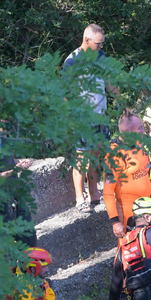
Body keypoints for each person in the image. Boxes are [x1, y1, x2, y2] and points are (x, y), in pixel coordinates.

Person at [63, 24, 109, 213]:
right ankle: (79, 199)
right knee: (82, 157)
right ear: (87, 40)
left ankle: (94, 192)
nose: (101, 47)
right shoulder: (72, 62)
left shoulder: (100, 56)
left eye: (102, 44)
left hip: (100, 115)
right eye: (98, 44)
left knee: (96, 155)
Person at [103, 109, 151, 240]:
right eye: (140, 128)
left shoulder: (139, 145)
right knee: (129, 251)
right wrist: (115, 222)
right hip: (129, 213)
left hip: (148, 207)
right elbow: (108, 192)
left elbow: (144, 177)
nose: (144, 132)